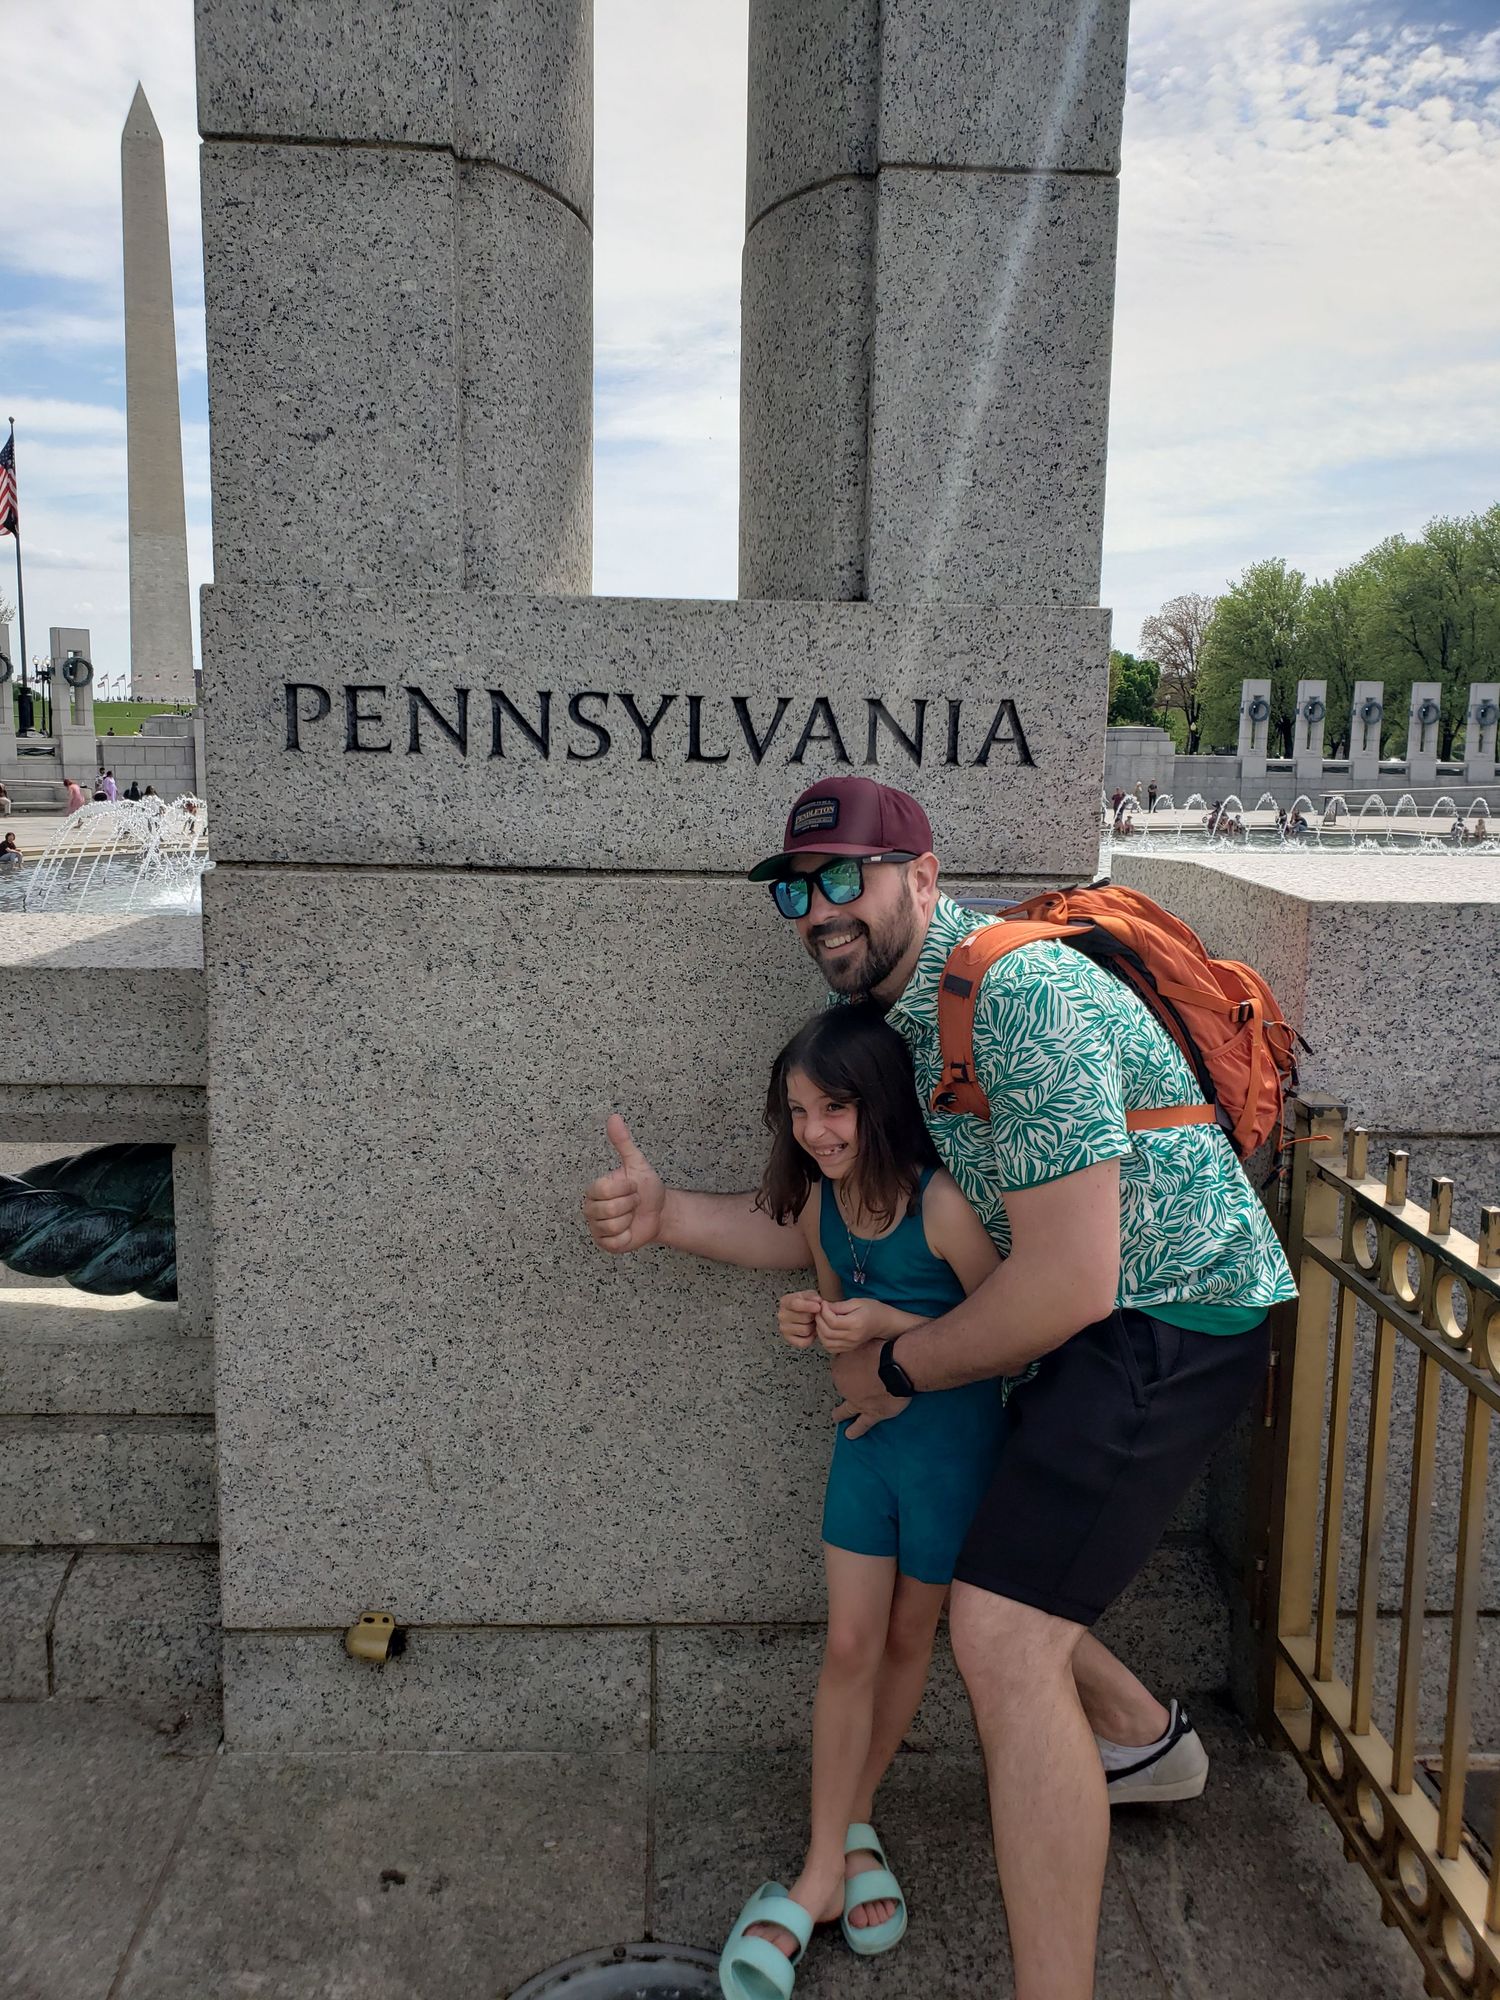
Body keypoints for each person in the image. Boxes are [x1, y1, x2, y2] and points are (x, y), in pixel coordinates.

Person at [584, 775, 1296, 2000]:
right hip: (1084, 1316)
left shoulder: (1017, 994)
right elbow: (848, 1213)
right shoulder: (895, 1019)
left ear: (922, 874)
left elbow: (1069, 1280)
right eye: (798, 889)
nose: (820, 908)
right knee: (995, 1551)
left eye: (844, 875)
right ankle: (1142, 1741)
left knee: (1002, 1633)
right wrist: (670, 1215)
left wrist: (893, 1364)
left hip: (1171, 1313)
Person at [637, 1003, 1007, 1990]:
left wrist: (885, 1321)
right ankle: (821, 1866)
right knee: (848, 1645)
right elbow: (840, 1316)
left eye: (833, 1107)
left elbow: (1008, 1328)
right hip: (868, 1449)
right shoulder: (820, 1207)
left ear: (877, 1103)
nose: (814, 1131)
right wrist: (814, 1318)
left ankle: (851, 1830)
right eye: (798, 1111)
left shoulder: (941, 1205)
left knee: (907, 1641)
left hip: (953, 1456)